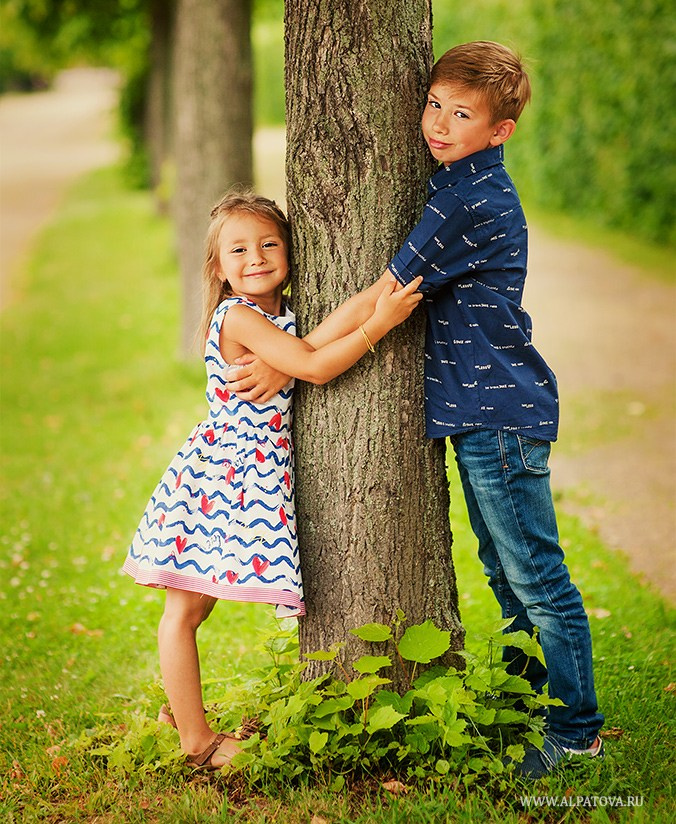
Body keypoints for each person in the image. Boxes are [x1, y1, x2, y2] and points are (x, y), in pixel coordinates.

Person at [226, 43, 605, 778]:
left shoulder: (467, 200)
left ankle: (577, 727)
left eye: (462, 115)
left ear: (500, 131)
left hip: (499, 415)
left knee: (537, 578)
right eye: (435, 104)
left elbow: (381, 296)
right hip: (479, 414)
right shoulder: (455, 186)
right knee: (506, 572)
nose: (438, 123)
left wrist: (284, 356)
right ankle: (526, 709)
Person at [123, 190, 422, 770]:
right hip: (222, 478)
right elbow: (311, 366)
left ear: (289, 250)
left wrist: (380, 291)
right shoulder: (236, 315)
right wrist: (379, 324)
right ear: (217, 267)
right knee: (184, 613)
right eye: (238, 249)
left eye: (268, 244)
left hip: (240, 475)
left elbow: (307, 343)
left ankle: (179, 711)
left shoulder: (273, 319)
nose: (255, 257)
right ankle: (196, 742)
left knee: (194, 611)